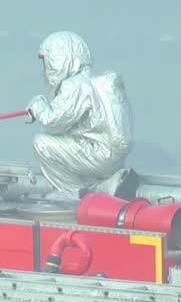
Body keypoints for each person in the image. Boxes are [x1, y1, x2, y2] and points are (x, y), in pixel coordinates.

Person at [25, 31, 136, 200]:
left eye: (46, 63)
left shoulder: (75, 86)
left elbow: (53, 121)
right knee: (73, 141)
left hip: (98, 155)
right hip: (112, 157)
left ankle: (74, 194)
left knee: (41, 142)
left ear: (59, 60)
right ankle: (104, 186)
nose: (44, 71)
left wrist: (37, 105)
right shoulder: (99, 83)